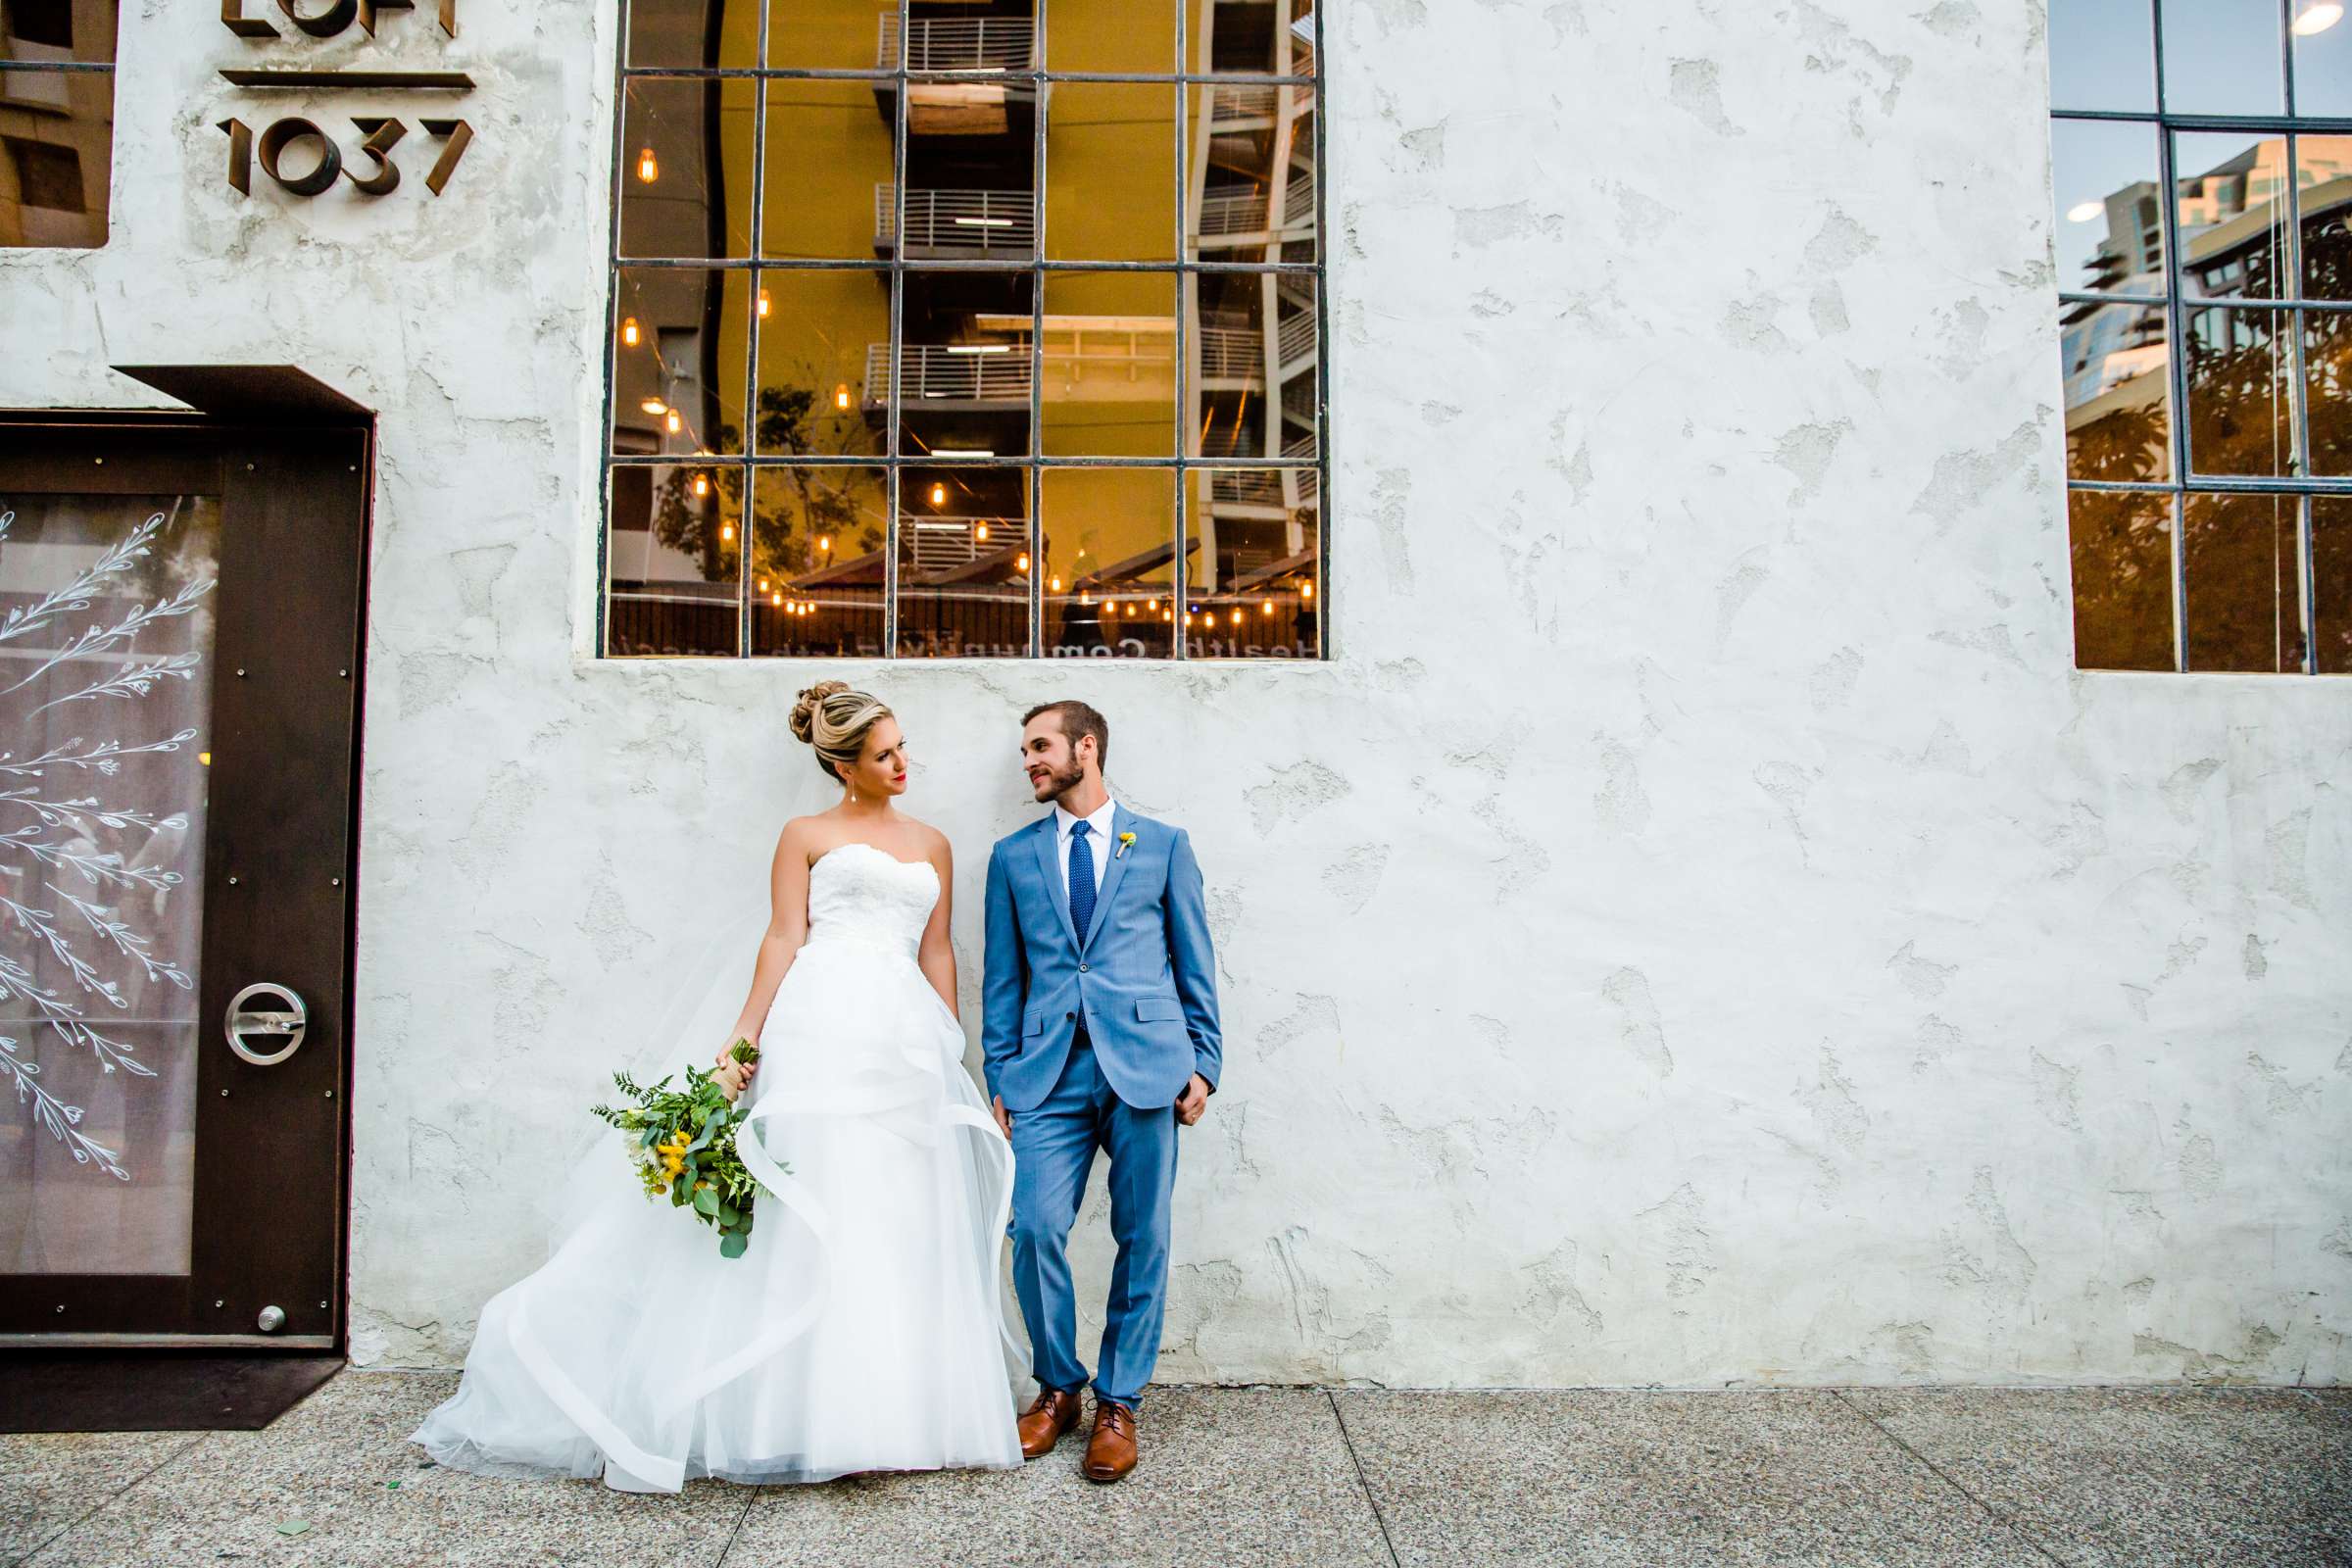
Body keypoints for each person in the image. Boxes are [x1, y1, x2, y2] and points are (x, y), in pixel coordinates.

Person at [410, 682, 1021, 1493]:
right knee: (812, 1207)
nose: (903, 764)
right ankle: (787, 1413)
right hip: (821, 1024)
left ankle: (890, 1409)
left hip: (904, 1041)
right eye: (883, 755)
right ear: (843, 765)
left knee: (897, 1208)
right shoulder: (804, 834)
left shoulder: (934, 844)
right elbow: (782, 936)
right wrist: (742, 1044)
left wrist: (951, 1048)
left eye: (904, 746)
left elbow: (938, 949)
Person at [983, 699, 1222, 1483]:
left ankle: (1119, 1402)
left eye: (1042, 746)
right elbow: (1003, 979)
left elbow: (1194, 959)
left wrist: (1205, 1063)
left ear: (1087, 747)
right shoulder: (1013, 857)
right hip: (1048, 1074)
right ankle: (1060, 1388)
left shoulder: (1160, 845)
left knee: (1142, 1235)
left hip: (1149, 1067)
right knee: (1034, 1226)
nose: (1030, 761)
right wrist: (1001, 1072)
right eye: (1026, 750)